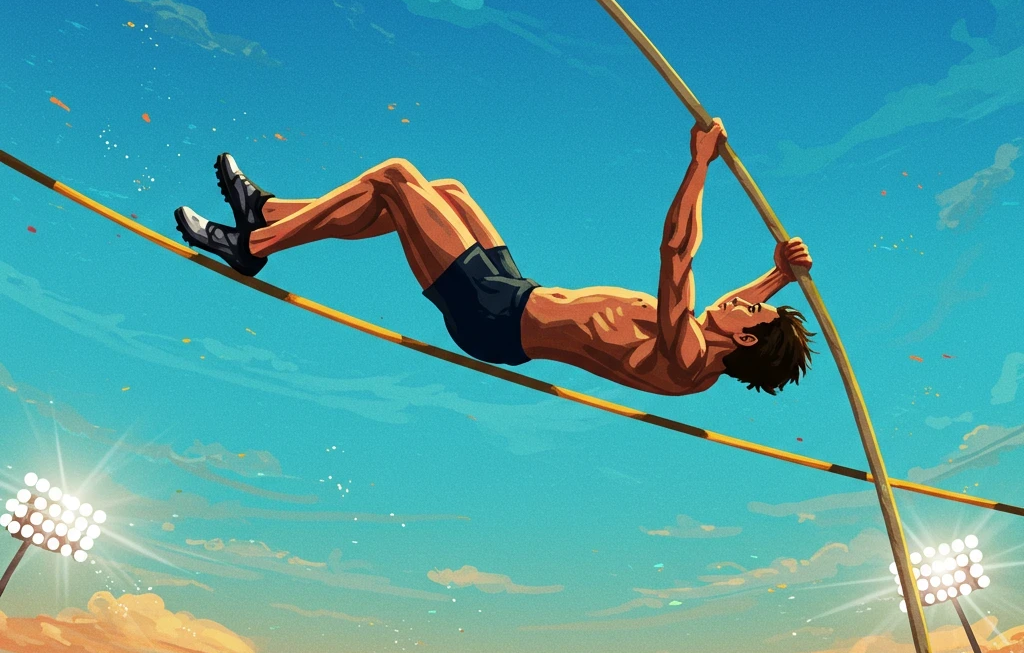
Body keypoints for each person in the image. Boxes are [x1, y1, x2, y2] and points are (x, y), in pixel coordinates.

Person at [173, 119, 814, 397]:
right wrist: (780, 274)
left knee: (398, 179)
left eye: (754, 308)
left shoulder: (689, 353)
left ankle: (253, 246)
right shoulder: (710, 350)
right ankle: (271, 213)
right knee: (443, 191)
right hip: (513, 288)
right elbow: (733, 309)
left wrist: (698, 165)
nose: (743, 300)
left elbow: (677, 252)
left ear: (749, 335)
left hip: (493, 316)